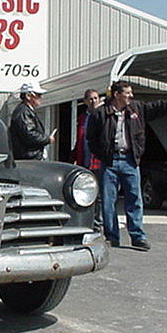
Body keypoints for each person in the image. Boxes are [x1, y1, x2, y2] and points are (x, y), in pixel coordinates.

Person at [86, 81, 167, 251]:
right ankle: (112, 237)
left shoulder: (137, 109)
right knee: (108, 201)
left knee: (135, 199)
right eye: (127, 93)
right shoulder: (100, 113)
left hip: (130, 161)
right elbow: (91, 139)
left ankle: (138, 236)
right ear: (117, 94)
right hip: (110, 162)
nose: (131, 96)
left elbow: (159, 107)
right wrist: (103, 154)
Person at [71, 89, 103, 230]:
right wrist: (72, 157)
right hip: (84, 161)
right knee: (84, 193)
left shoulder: (103, 116)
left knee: (99, 195)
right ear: (85, 101)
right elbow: (80, 141)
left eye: (96, 98)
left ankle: (98, 222)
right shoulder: (83, 118)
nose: (93, 101)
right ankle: (87, 221)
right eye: (90, 99)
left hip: (97, 161)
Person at [10, 82, 56, 160]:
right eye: (38, 95)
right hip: (28, 158)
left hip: (29, 157)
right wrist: (47, 139)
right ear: (28, 96)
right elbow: (29, 135)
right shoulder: (23, 112)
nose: (41, 97)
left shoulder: (25, 111)